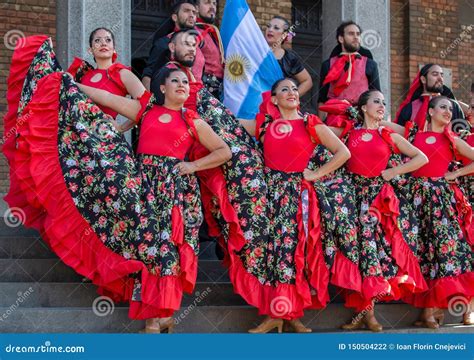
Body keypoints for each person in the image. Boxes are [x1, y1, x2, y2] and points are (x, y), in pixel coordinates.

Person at [4, 35, 231, 333]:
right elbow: (104, 98)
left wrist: (192, 165)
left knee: (169, 251)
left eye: (185, 83)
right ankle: (157, 315)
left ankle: (161, 316)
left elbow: (224, 151)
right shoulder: (145, 111)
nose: (181, 86)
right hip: (143, 188)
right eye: (175, 82)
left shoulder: (193, 121)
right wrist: (67, 83)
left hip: (176, 194)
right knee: (150, 250)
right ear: (162, 88)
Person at [239, 78, 351, 333]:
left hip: (298, 196)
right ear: (274, 99)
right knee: (273, 253)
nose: (291, 92)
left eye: (294, 88)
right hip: (269, 198)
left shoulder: (310, 123)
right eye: (284, 90)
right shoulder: (264, 126)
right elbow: (226, 124)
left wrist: (315, 174)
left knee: (293, 252)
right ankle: (278, 314)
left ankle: (289, 313)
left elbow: (343, 153)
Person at [324, 90, 428, 332]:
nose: (382, 105)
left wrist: (393, 172)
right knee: (356, 254)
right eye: (376, 102)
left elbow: (420, 157)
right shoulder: (349, 132)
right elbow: (320, 137)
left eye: (384, 102)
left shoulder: (387, 134)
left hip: (376, 203)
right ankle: (363, 313)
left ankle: (368, 314)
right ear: (362, 107)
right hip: (349, 200)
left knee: (371, 254)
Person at [388, 96, 474, 328]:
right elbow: (383, 125)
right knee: (422, 255)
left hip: (439, 202)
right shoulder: (413, 135)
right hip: (413, 202)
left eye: (451, 109)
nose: (448, 112)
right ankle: (429, 311)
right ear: (431, 112)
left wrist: (454, 175)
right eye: (443, 107)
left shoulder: (452, 139)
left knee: (442, 254)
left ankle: (431, 311)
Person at [67, 27, 145, 123]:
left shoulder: (121, 73)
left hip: (104, 134)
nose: (103, 43)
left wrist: (122, 127)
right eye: (97, 40)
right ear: (90, 50)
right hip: (78, 133)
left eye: (108, 40)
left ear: (114, 49)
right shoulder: (83, 74)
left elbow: (146, 105)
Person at [318, 21, 380, 123]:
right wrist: (320, 126)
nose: (356, 37)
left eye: (358, 34)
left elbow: (377, 96)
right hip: (334, 120)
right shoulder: (327, 65)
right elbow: (322, 99)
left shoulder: (370, 64)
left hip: (361, 120)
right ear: (341, 38)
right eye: (351, 34)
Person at [141, 1, 205, 90]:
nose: (191, 15)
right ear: (175, 17)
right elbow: (148, 74)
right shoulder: (164, 42)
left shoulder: (198, 45)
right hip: (175, 97)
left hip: (199, 96)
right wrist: (149, 102)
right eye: (186, 11)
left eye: (194, 12)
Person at [394, 63, 465, 128]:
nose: (440, 78)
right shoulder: (410, 108)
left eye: (442, 75)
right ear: (423, 79)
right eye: (435, 74)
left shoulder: (453, 106)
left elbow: (463, 134)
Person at [264, 16, 312, 96]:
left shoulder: (290, 58)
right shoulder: (255, 53)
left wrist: (290, 97)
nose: (270, 29)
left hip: (276, 106)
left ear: (284, 35)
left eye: (276, 28)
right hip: (252, 104)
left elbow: (307, 81)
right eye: (268, 26)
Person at [195, 0, 225, 98]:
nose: (212, 6)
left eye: (214, 3)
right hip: (203, 92)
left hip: (218, 92)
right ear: (196, 8)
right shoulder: (194, 32)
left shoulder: (213, 32)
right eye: (207, 2)